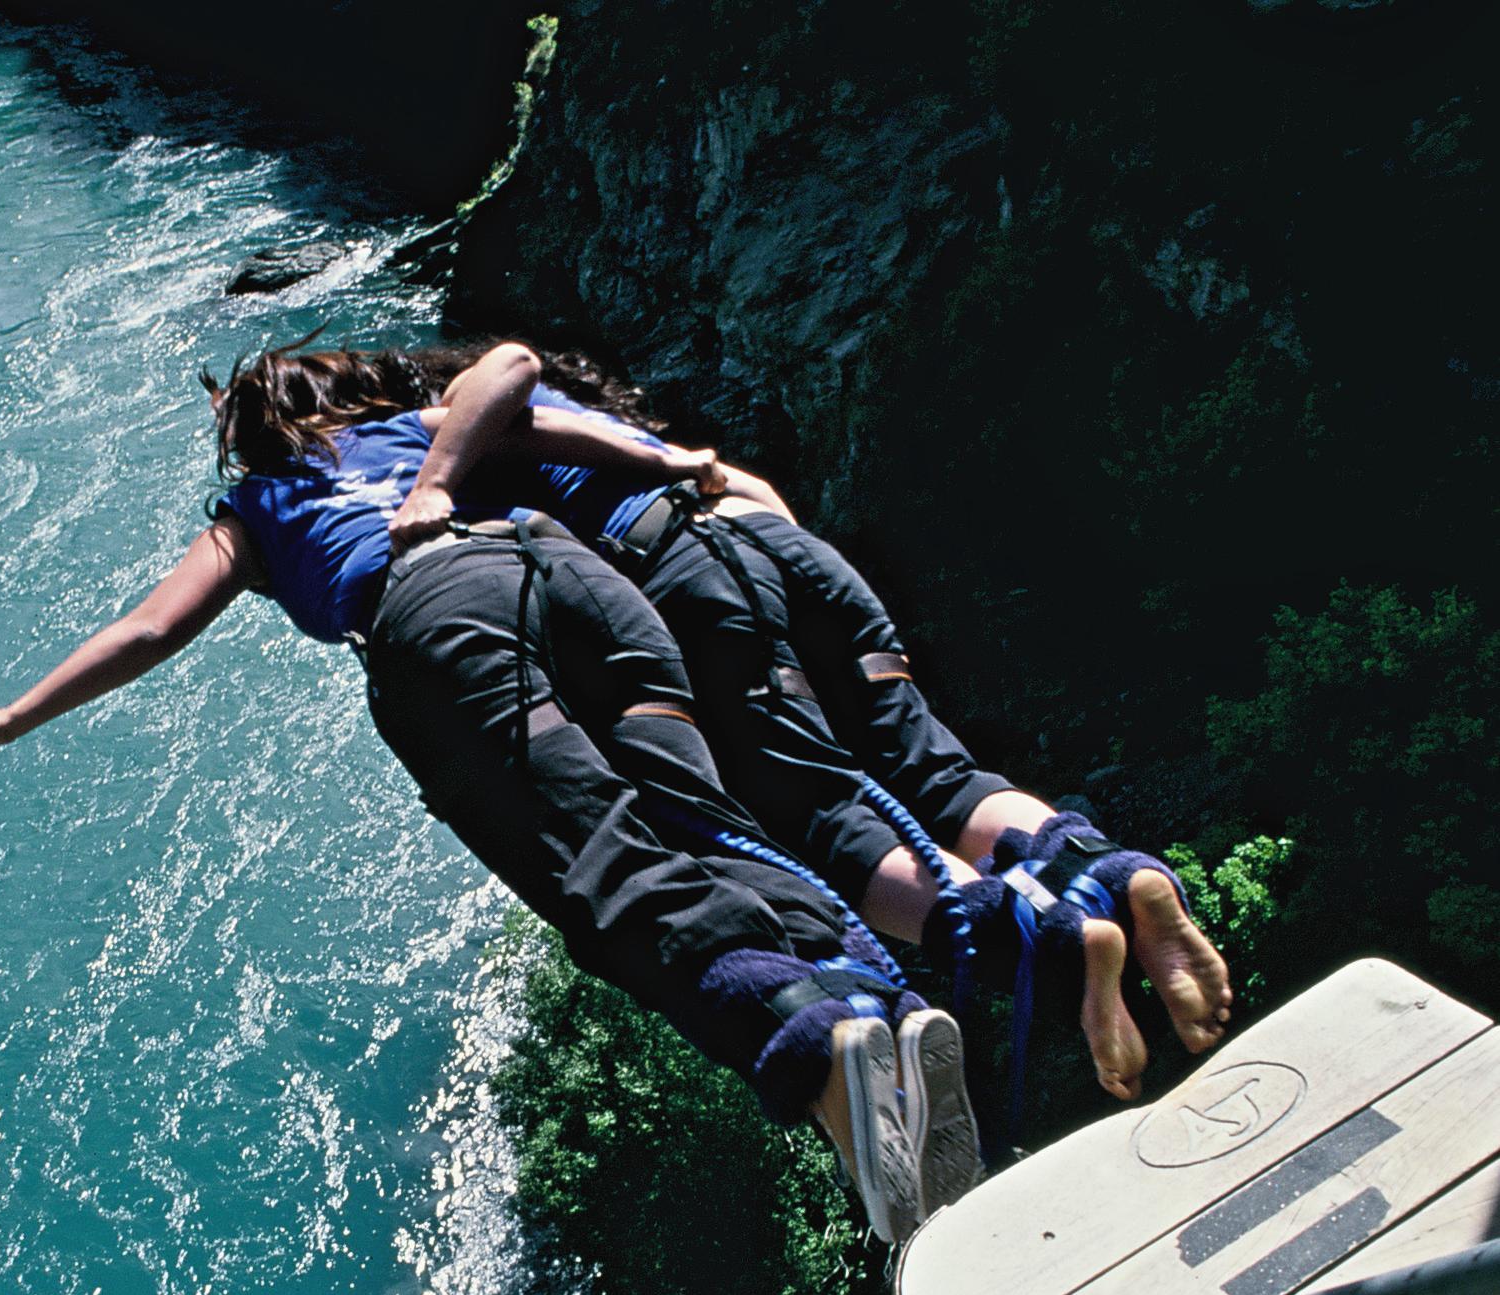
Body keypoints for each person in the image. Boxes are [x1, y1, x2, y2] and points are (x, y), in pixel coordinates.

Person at [0, 341, 981, 1241]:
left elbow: (149, 628)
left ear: (247, 435)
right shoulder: (421, 424)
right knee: (705, 820)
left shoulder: (256, 505)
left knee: (607, 869)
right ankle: (881, 1009)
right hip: (570, 574)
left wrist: (11, 716)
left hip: (437, 618)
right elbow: (535, 397)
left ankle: (827, 1062)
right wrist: (684, 465)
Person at [399, 342, 1234, 1106]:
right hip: (780, 547)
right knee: (933, 770)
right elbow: (759, 499)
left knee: (820, 816)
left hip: (678, 570)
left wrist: (437, 481)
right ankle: (1111, 873)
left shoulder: (478, 441)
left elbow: (510, 415)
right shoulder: (628, 429)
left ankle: (1046, 940)